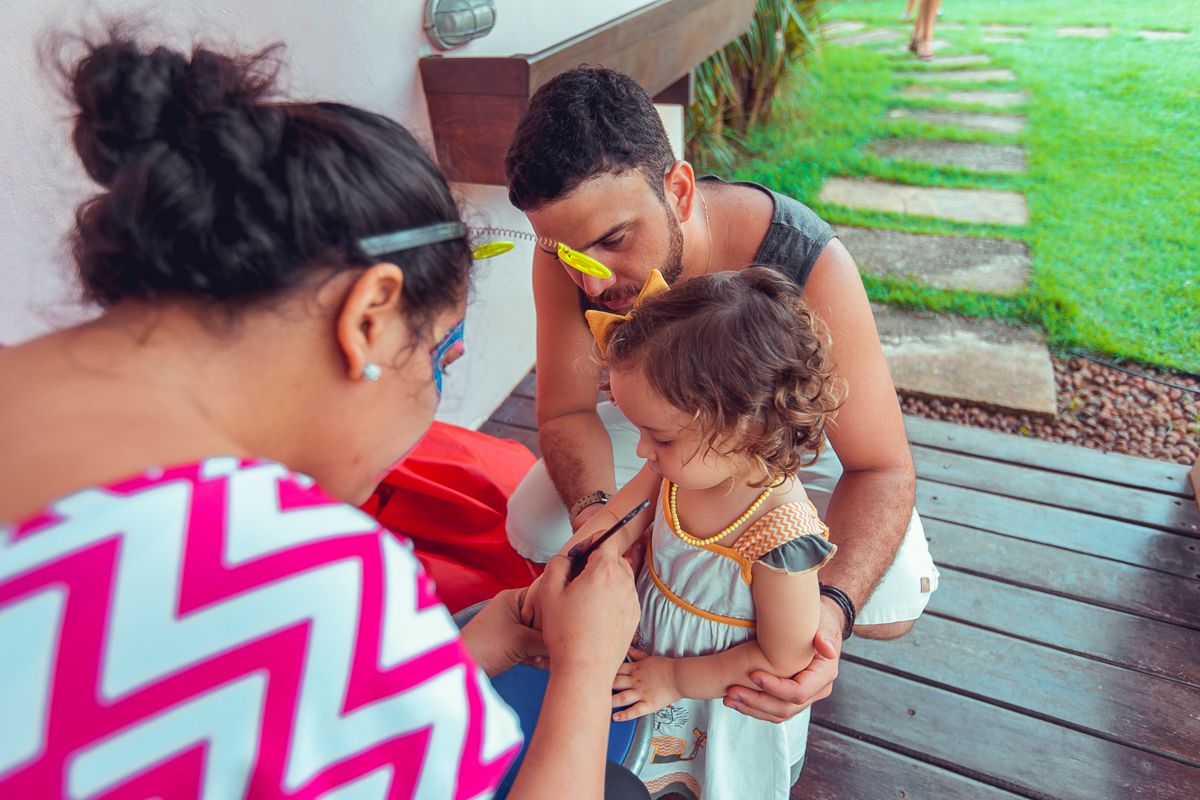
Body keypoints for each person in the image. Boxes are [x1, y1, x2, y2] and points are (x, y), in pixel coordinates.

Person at [0, 35, 640, 800]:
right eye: (443, 359)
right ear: (368, 315)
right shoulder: (304, 580)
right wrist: (586, 665)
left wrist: (459, 652)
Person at [503, 67, 939, 727]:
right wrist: (600, 520)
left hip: (775, 440)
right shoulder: (573, 256)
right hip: (655, 424)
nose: (590, 282)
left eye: (614, 242)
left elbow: (882, 466)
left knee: (893, 597)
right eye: (562, 252)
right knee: (538, 525)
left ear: (677, 190)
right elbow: (565, 410)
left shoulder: (806, 260)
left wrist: (829, 612)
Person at [528, 267, 841, 799]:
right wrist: (569, 563)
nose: (642, 452)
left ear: (745, 426)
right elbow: (615, 523)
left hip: (713, 695)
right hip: (653, 662)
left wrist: (674, 679)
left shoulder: (781, 538)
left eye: (659, 436)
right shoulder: (684, 466)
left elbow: (782, 661)